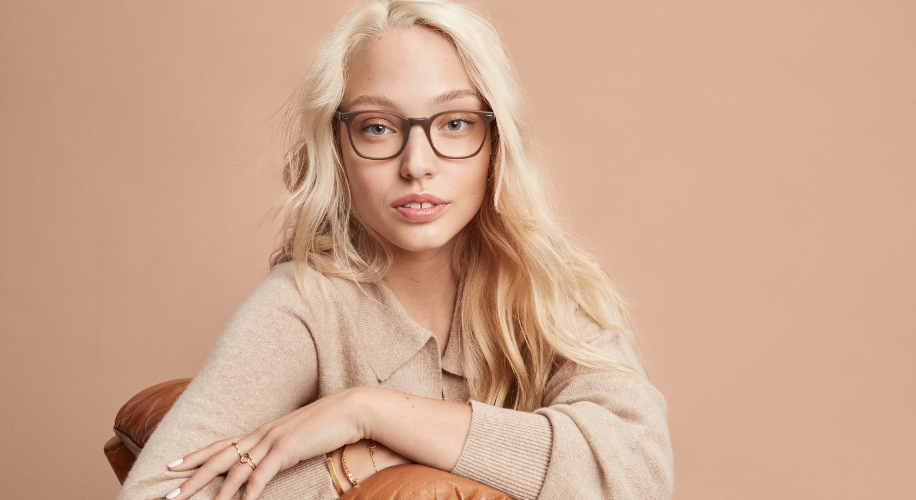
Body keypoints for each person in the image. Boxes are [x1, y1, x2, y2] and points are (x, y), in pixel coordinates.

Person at [118, 1, 673, 499]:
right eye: (378, 128)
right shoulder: (306, 303)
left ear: (496, 143)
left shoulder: (548, 288)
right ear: (337, 148)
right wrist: (352, 468)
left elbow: (638, 470)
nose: (416, 164)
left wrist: (372, 413)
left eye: (454, 123)